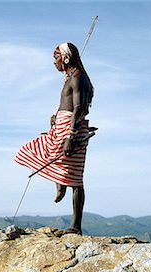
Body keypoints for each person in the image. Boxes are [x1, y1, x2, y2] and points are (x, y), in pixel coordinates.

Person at [14, 42, 94, 235]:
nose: (54, 63)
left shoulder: (78, 78)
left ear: (65, 58)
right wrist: (56, 116)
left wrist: (70, 135)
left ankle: (76, 226)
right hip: (63, 127)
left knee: (76, 179)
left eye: (56, 58)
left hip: (70, 130)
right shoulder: (71, 78)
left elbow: (79, 108)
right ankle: (60, 184)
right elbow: (68, 105)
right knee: (40, 150)